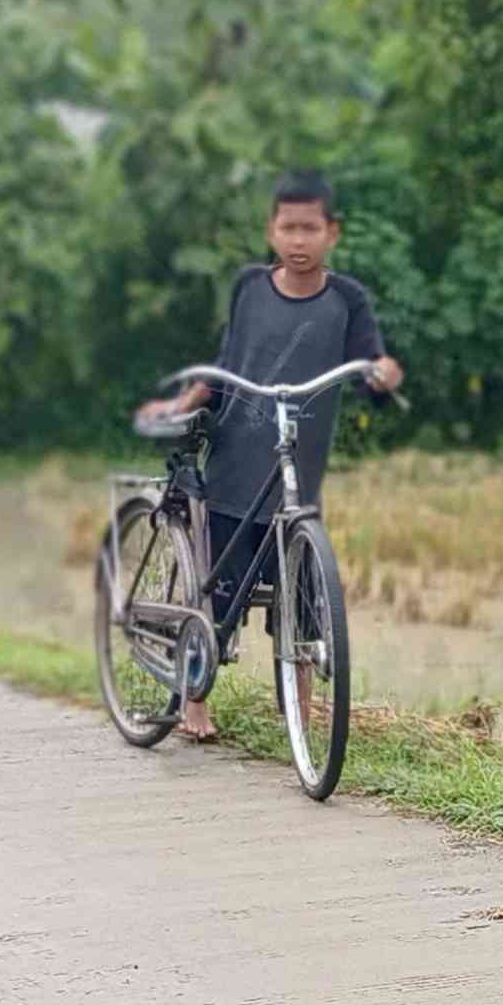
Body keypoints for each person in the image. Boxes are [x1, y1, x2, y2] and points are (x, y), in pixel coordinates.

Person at [171, 172, 400, 744]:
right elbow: (229, 358)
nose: (299, 240)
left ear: (332, 234)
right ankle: (192, 700)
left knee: (303, 597)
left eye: (311, 228)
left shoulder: (347, 300)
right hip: (233, 469)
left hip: (299, 477)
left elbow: (372, 364)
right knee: (217, 597)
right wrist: (188, 400)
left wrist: (384, 372)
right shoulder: (249, 286)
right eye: (288, 227)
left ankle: (300, 709)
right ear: (271, 231)